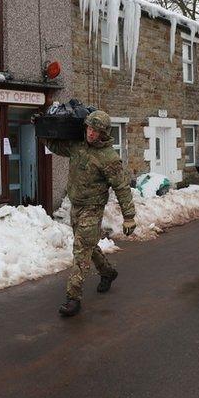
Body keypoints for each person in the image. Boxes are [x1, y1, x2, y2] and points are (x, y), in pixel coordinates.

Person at [43, 110, 137, 317]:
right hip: (76, 205)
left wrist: (129, 216)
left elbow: (122, 187)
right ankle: (107, 272)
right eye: (89, 128)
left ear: (103, 133)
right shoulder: (78, 145)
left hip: (92, 209)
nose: (91, 133)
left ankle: (73, 297)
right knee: (89, 244)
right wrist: (42, 129)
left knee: (80, 250)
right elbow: (56, 146)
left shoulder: (109, 158)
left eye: (96, 130)